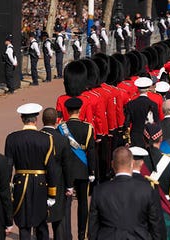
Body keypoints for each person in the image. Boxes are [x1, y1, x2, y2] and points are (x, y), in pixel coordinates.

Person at [5, 103, 58, 240]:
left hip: (20, 184)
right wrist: (52, 193)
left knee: (24, 225)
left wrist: (6, 189)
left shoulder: (12, 138)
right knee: (41, 224)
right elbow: (51, 168)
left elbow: (8, 167)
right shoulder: (46, 138)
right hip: (40, 185)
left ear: (22, 119)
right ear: (36, 119)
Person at [88, 147, 164, 240]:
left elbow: (93, 229)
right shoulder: (147, 189)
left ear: (112, 164)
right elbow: (156, 225)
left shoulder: (99, 191)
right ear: (132, 164)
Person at [141, 124, 170, 238]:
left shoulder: (136, 161)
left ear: (144, 139)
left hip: (141, 213)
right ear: (161, 138)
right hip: (164, 212)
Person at [59, 97, 96, 240]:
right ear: (80, 110)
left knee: (66, 205)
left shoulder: (60, 128)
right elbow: (91, 151)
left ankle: (66, 235)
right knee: (83, 203)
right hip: (82, 169)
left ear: (67, 111)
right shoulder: (88, 128)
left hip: (65, 170)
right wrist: (92, 171)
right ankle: (81, 235)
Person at [40, 108, 72, 240]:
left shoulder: (37, 137)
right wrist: (69, 185)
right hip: (58, 181)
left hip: (41, 180)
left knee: (40, 218)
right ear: (57, 121)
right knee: (58, 217)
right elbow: (67, 165)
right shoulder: (62, 140)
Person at [123, 77, 161, 148]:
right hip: (148, 136)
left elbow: (126, 123)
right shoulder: (153, 104)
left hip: (134, 136)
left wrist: (126, 140)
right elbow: (156, 123)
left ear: (138, 88)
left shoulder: (130, 104)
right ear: (148, 88)